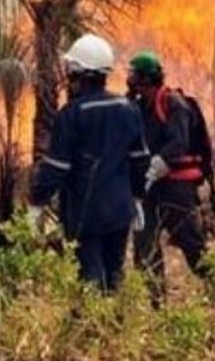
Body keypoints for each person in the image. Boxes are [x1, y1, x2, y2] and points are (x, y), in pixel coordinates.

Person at [28, 33, 150, 291]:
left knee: (89, 276)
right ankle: (115, 327)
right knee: (114, 273)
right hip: (120, 209)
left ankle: (93, 328)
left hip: (85, 211)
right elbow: (140, 160)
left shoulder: (71, 115)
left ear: (76, 73)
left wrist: (37, 202)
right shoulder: (128, 108)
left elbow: (56, 167)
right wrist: (137, 198)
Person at [126, 51, 208, 302]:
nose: (130, 81)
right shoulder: (138, 106)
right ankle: (156, 304)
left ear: (146, 79)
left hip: (176, 186)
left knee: (190, 243)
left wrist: (161, 161)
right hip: (149, 188)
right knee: (145, 246)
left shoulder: (173, 103)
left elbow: (179, 142)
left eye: (134, 75)